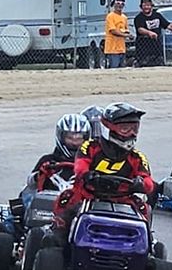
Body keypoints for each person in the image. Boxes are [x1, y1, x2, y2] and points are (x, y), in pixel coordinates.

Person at [47, 102, 156, 246]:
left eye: (134, 129)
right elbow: (80, 166)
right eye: (125, 129)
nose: (131, 134)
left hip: (122, 199)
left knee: (144, 209)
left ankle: (148, 245)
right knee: (65, 202)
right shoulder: (90, 146)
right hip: (88, 195)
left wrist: (140, 184)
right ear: (107, 129)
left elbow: (148, 182)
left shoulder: (137, 157)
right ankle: (59, 242)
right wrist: (87, 175)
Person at [18, 113, 92, 214]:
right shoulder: (48, 160)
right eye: (70, 138)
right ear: (61, 137)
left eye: (79, 139)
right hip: (48, 208)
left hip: (81, 206)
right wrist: (39, 175)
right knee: (25, 197)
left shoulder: (91, 162)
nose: (74, 143)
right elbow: (30, 183)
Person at [133, 0, 172, 67]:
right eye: (144, 5)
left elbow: (168, 25)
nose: (146, 7)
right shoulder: (138, 18)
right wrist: (149, 33)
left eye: (148, 5)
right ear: (141, 7)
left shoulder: (157, 15)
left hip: (157, 49)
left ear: (151, 6)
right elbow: (140, 29)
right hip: (143, 50)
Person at [103, 0, 131, 68]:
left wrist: (128, 34)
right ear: (114, 5)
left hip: (121, 48)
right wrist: (125, 35)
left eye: (122, 4)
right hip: (112, 49)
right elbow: (113, 31)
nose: (120, 5)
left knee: (122, 69)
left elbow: (125, 30)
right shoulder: (110, 16)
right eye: (118, 3)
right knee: (113, 69)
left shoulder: (124, 17)